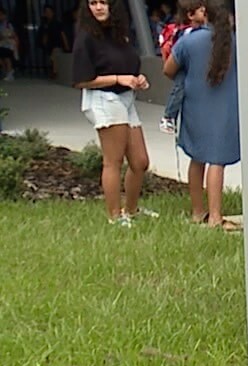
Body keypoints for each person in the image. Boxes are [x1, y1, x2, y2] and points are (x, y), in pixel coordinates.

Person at [72, 0, 153, 227]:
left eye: (103, 2)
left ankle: (132, 210)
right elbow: (81, 80)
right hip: (103, 98)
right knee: (113, 161)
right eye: (93, 3)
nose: (98, 7)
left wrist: (137, 79)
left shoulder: (120, 34)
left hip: (126, 97)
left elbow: (129, 65)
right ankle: (115, 217)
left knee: (140, 161)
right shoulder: (86, 38)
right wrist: (118, 78)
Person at [164, 0, 239, 231]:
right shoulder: (234, 42)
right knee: (217, 161)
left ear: (204, 13)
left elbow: (168, 70)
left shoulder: (188, 41)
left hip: (196, 105)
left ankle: (198, 212)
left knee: (197, 157)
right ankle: (216, 215)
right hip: (227, 107)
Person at [158, 0, 205, 135]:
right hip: (184, 68)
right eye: (201, 11)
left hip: (189, 68)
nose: (205, 13)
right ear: (190, 15)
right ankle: (168, 116)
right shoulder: (188, 32)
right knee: (179, 88)